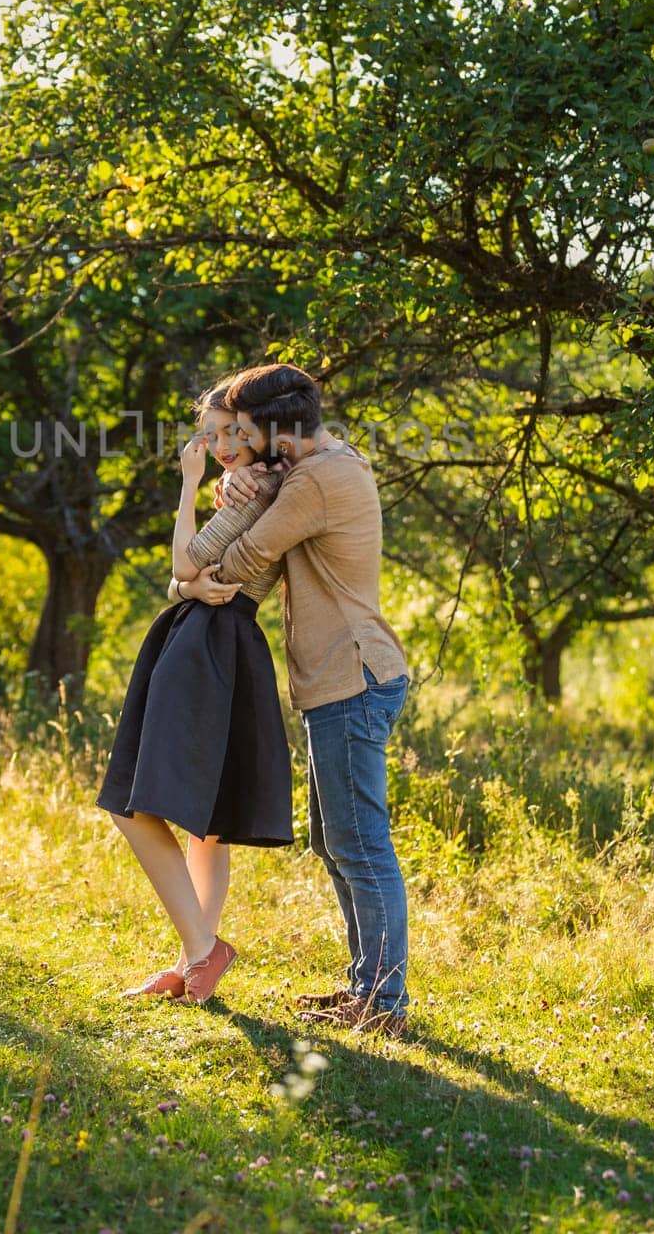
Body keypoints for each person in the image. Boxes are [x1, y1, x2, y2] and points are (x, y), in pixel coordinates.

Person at [206, 364, 411, 1036]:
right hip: (343, 679)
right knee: (337, 842)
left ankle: (383, 1003)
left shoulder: (317, 480)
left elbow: (241, 561)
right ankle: (367, 989)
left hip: (351, 676)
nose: (237, 441)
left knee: (361, 846)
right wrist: (249, 478)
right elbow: (269, 496)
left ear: (273, 430)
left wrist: (232, 501)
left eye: (244, 430)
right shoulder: (325, 461)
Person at [96, 379, 293, 1006]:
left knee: (133, 803)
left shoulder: (255, 489)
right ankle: (192, 960)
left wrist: (187, 483)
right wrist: (185, 590)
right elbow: (186, 581)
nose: (223, 445)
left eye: (235, 432)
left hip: (211, 645)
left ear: (261, 428)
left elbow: (185, 564)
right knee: (204, 823)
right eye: (212, 435)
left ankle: (207, 952)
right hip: (214, 637)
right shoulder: (245, 485)